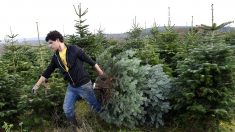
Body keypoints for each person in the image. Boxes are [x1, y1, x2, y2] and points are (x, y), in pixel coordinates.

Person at [32, 30, 104, 130]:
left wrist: (101, 73)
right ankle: (75, 128)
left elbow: (90, 61)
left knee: (95, 106)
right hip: (72, 87)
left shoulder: (74, 49)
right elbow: (47, 72)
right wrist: (37, 85)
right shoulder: (55, 57)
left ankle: (107, 120)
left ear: (57, 40)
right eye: (48, 44)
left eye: (50, 43)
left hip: (84, 85)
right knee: (67, 109)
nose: (49, 46)